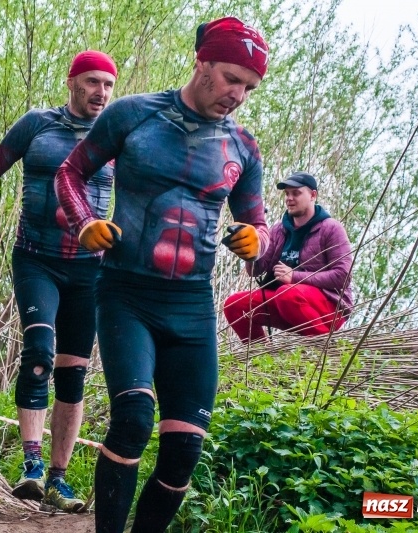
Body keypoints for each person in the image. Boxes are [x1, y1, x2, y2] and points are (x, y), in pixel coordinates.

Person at [55, 17, 269, 533]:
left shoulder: (243, 147)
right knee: (132, 421)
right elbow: (70, 173)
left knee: (184, 450)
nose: (237, 94)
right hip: (126, 292)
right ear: (201, 64)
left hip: (192, 304)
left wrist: (256, 241)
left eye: (249, 86)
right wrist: (85, 223)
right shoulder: (133, 115)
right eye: (230, 77)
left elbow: (258, 222)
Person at [0, 51, 118, 513]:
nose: (101, 93)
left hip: (90, 266)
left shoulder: (115, 133)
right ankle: (30, 467)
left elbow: (140, 192)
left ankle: (58, 479)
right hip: (36, 259)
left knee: (74, 372)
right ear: (71, 82)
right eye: (92, 82)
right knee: (38, 353)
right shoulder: (37, 124)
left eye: (108, 86)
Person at [223, 171, 353, 343]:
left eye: (296, 193)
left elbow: (343, 276)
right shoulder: (278, 230)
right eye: (287, 193)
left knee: (286, 293)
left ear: (313, 195)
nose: (289, 198)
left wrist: (294, 277)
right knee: (234, 305)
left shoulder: (331, 228)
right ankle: (259, 356)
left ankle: (328, 349)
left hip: (328, 308)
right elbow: (256, 271)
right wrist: (250, 249)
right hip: (285, 303)